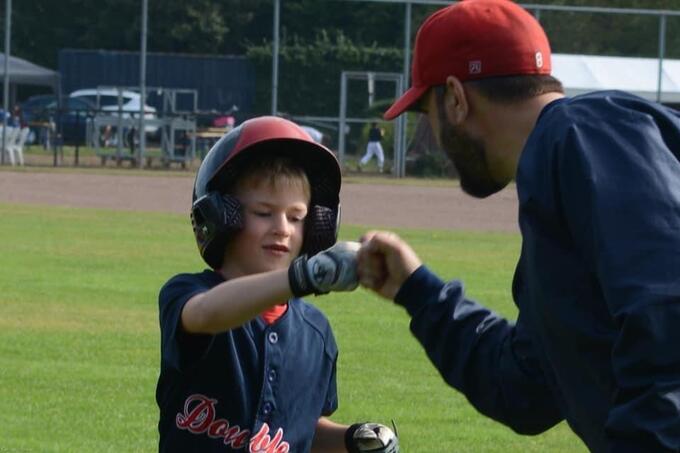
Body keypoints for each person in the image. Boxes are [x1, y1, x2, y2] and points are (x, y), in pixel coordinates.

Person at [357, 0, 680, 452]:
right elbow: (525, 391)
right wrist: (419, 291)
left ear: (455, 97)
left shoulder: (585, 132)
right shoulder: (561, 172)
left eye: (427, 114)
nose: (432, 135)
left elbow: (666, 312)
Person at [156, 116, 399, 452]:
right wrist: (299, 278)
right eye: (263, 213)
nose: (282, 228)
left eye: (297, 217)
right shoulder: (188, 294)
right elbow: (206, 315)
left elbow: (304, 428)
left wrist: (353, 438)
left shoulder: (316, 332)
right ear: (220, 217)